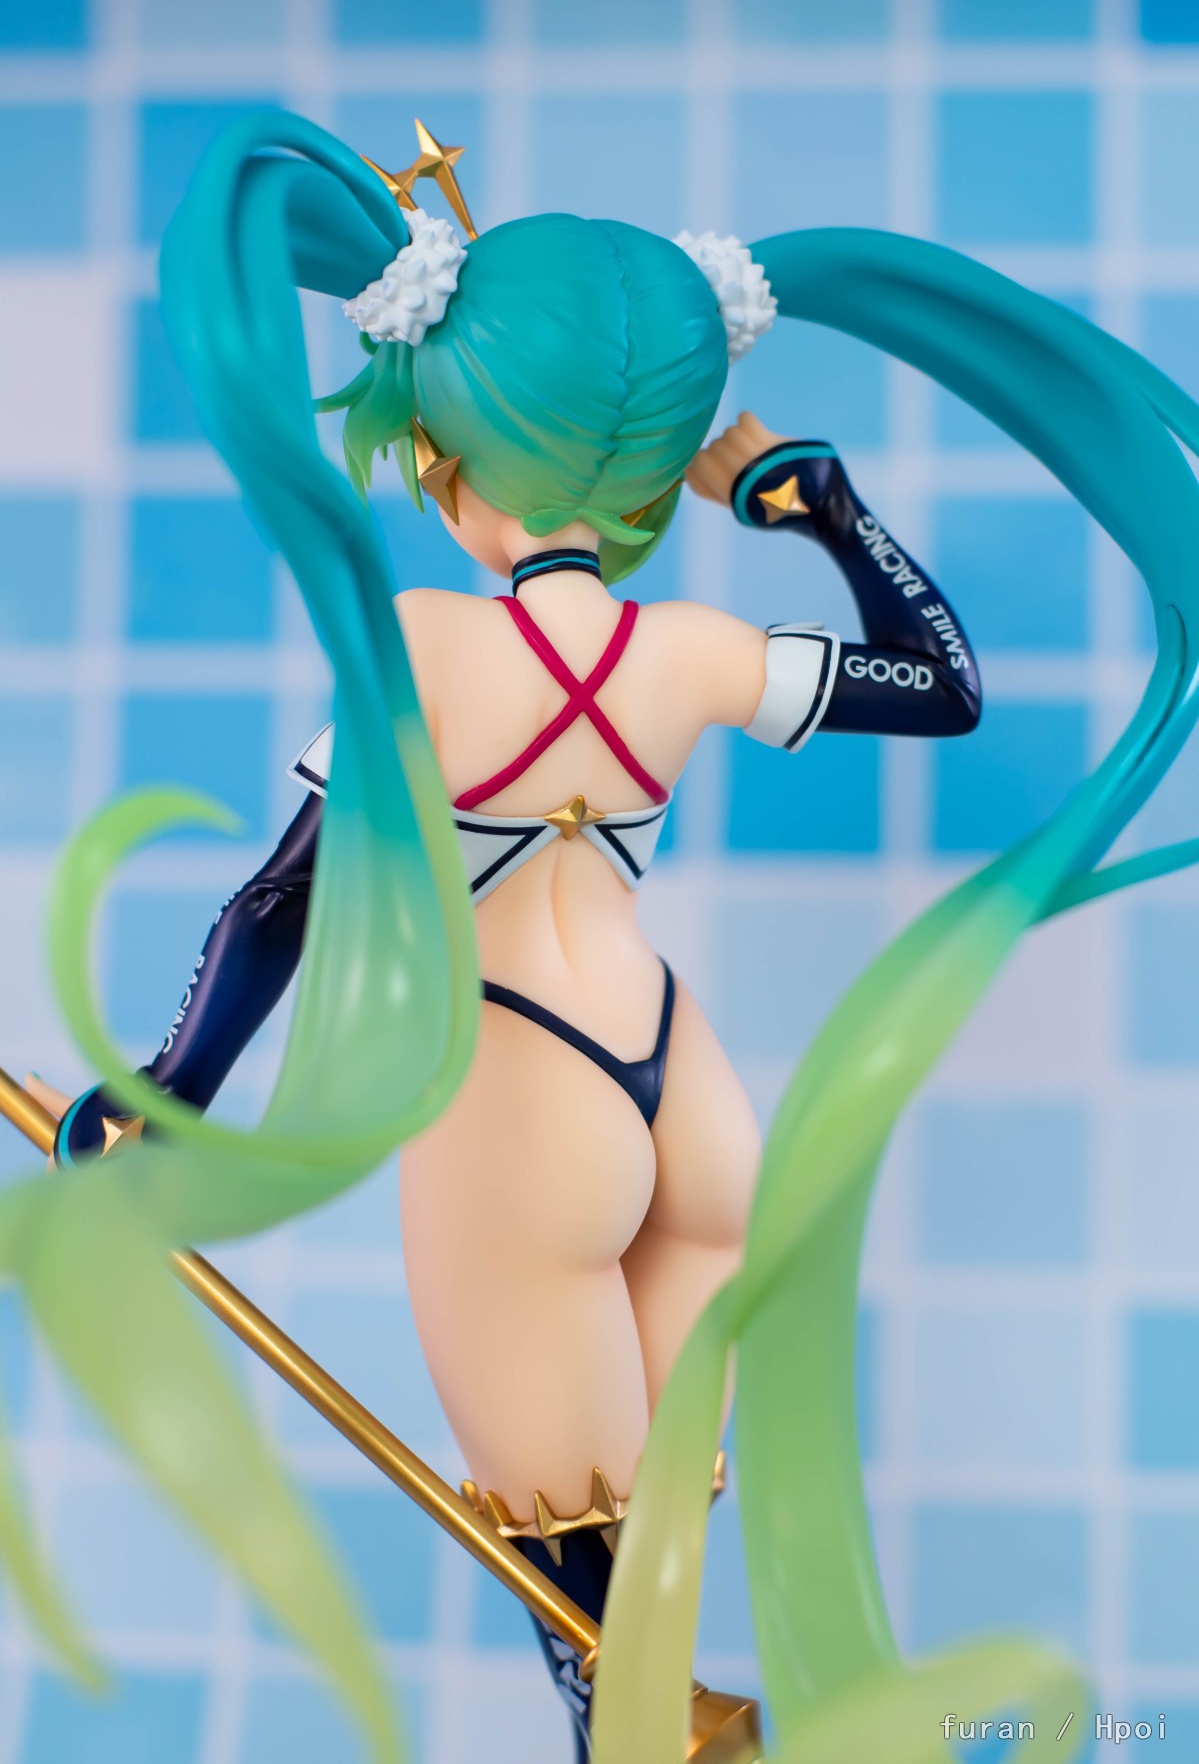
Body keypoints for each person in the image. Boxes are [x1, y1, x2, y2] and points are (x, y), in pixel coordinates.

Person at [23, 110, 1199, 1763]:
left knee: (581, 1599)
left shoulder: (425, 642)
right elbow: (942, 684)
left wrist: (168, 1090)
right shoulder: (692, 648)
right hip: (682, 1087)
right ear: (650, 478)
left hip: (524, 1096)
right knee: (650, 1553)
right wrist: (819, 504)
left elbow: (282, 898)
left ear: (447, 455)